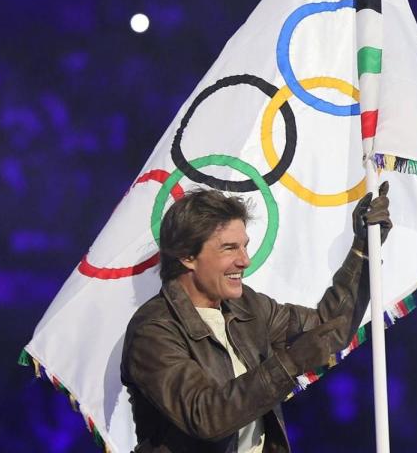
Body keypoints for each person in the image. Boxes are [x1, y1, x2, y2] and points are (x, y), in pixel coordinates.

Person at [121, 182, 392, 453]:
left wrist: (363, 251)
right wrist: (289, 363)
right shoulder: (153, 330)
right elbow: (205, 416)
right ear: (187, 256)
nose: (245, 260)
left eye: (244, 246)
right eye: (229, 248)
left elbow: (328, 329)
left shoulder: (247, 306)